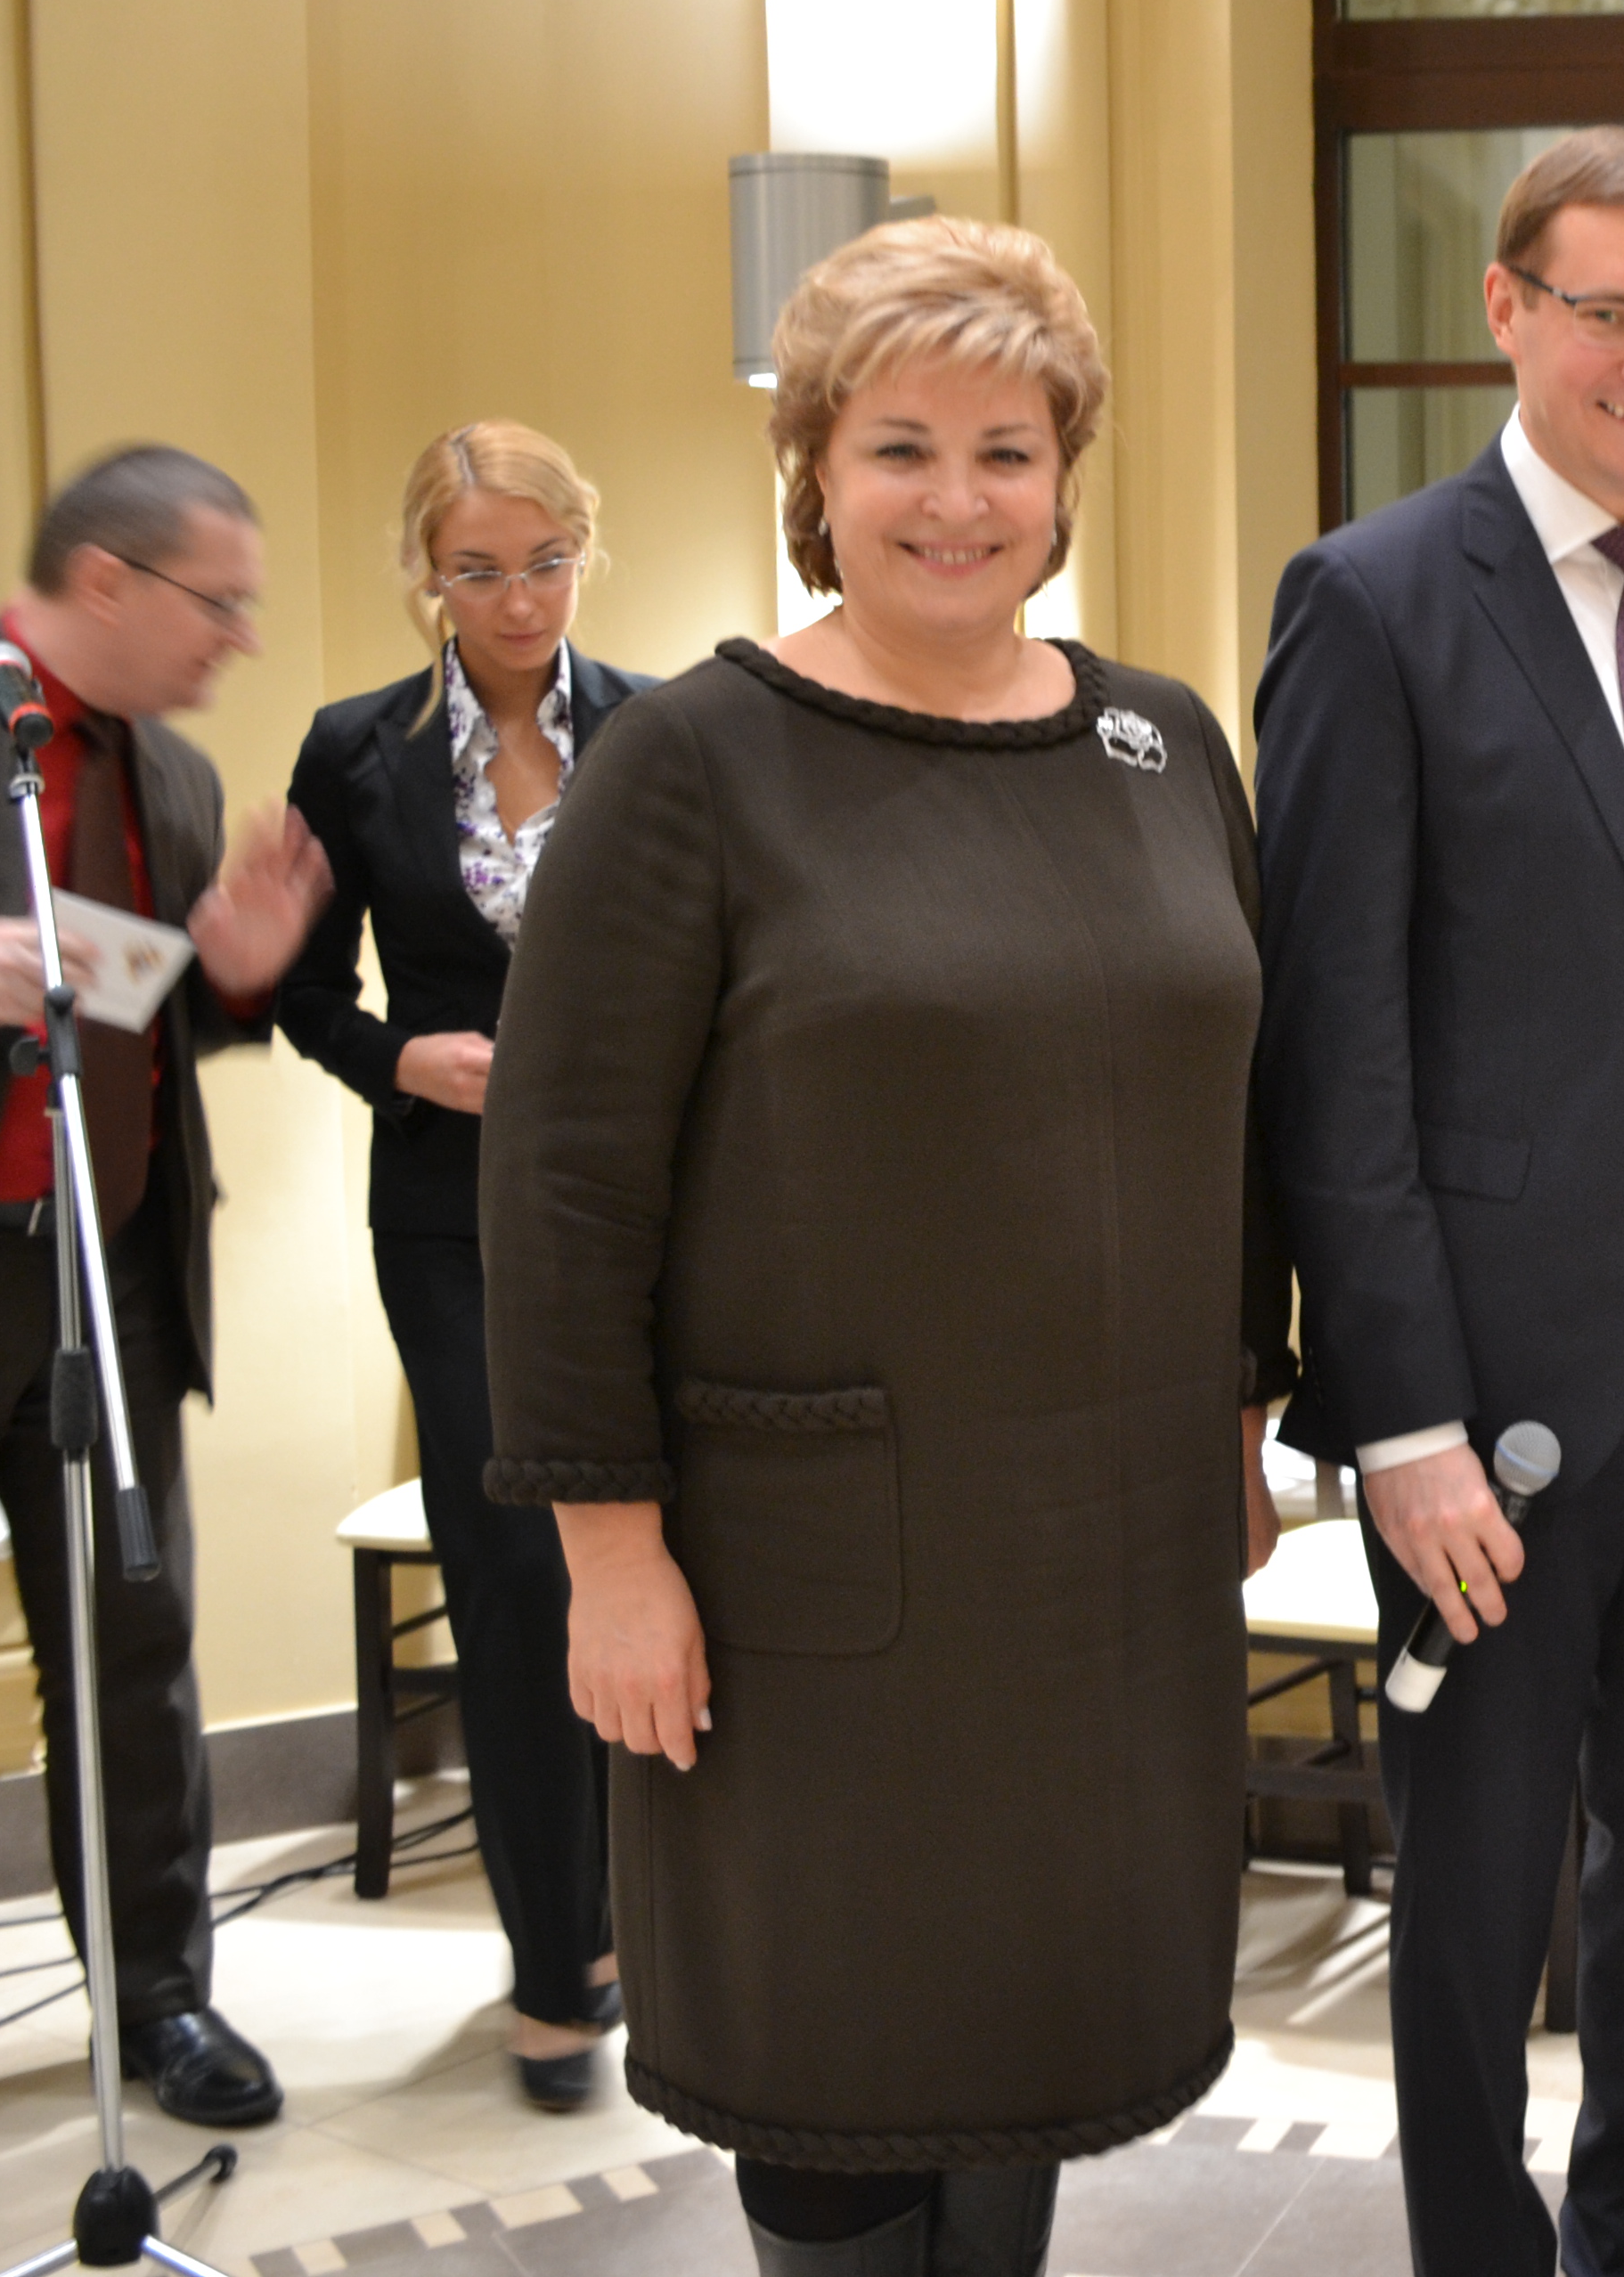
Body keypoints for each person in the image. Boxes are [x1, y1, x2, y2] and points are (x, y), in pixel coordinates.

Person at [478, 219, 1290, 2277]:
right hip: (816, 1581)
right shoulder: (693, 761)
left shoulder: (1160, 744)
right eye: (902, 448)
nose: (957, 500)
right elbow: (563, 1189)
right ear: (817, 473)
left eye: (1007, 451)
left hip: (1106, 1565)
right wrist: (607, 1553)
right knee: (840, 2070)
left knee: (1034, 2044)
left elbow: (1240, 1117)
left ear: (1064, 477)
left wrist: (1239, 1417)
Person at [1254, 126, 1624, 2276]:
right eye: (1610, 311)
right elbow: (1331, 1048)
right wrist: (1397, 1419)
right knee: (1478, 1900)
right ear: (1507, 310)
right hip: (1487, 1402)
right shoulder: (1373, 601)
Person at [0, 445, 333, 2189]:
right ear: (109, 582)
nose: (239, 640)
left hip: (111, 1273)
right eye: (221, 604)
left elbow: (138, 1015)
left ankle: (158, 2001)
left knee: (134, 1667)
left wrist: (237, 977)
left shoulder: (178, 777)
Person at [276, 423, 646, 2110]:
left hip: (640, 1211)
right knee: (511, 1573)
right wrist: (398, 1061)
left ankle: (641, 1920)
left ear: (586, 553)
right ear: (427, 575)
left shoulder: (657, 730)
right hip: (449, 1220)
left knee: (649, 1549)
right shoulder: (354, 751)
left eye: (546, 562)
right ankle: (553, 1967)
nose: (517, 600)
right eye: (479, 569)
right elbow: (298, 992)